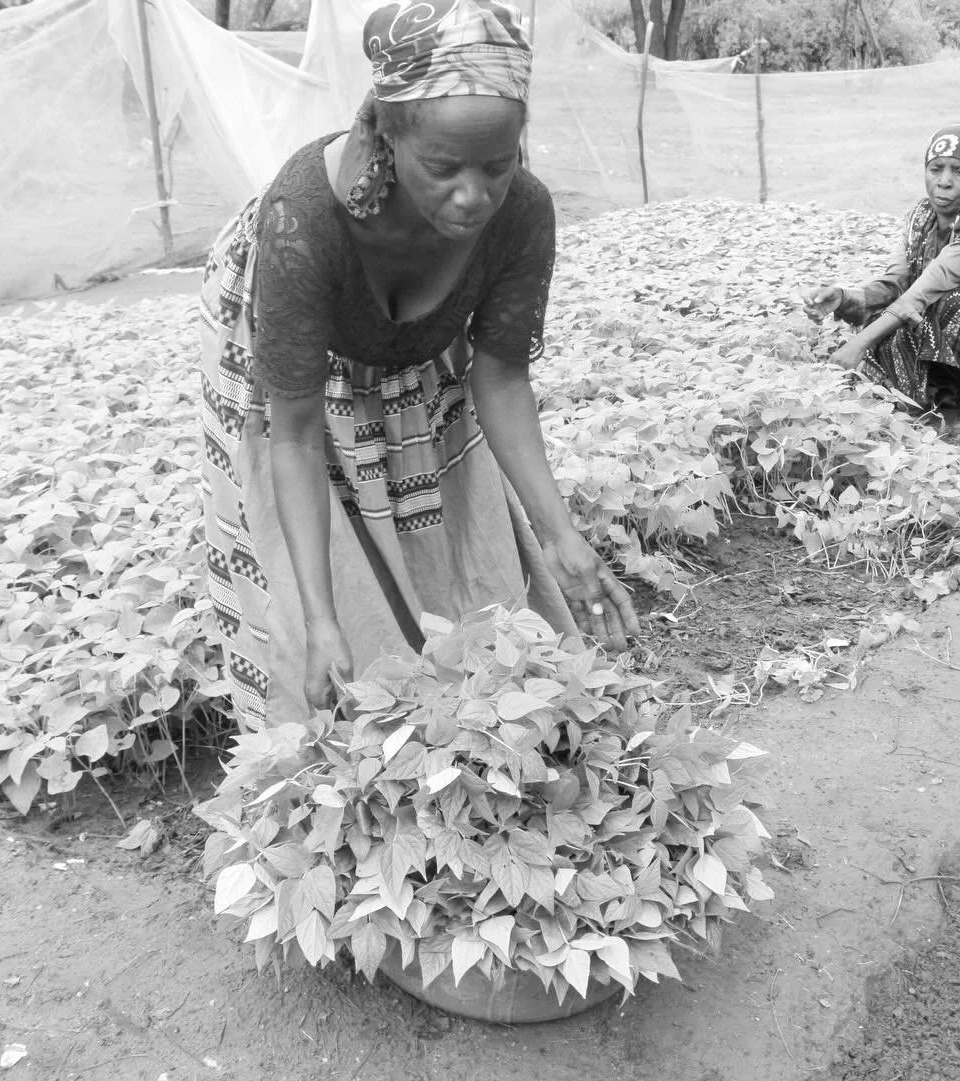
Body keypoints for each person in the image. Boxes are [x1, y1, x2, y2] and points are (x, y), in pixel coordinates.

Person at [198, 0, 639, 728]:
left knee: (436, 531)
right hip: (290, 367)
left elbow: (498, 377)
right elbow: (298, 437)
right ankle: (327, 728)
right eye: (442, 168)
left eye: (497, 166)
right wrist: (321, 619)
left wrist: (563, 536)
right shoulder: (303, 223)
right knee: (323, 588)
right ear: (387, 134)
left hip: (414, 354)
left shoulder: (520, 214)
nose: (473, 196)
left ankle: (446, 715)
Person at [803, 123, 960, 433]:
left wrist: (859, 344)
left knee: (951, 302)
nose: (944, 182)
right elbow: (898, 283)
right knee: (891, 321)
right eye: (936, 169)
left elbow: (927, 287)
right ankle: (939, 396)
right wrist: (844, 297)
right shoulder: (920, 216)